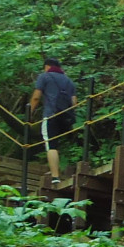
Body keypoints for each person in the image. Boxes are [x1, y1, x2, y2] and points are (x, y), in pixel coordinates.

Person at [29, 59, 78, 187]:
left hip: (51, 115)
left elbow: (35, 97)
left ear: (47, 66)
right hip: (66, 117)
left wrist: (29, 114)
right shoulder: (68, 81)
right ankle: (56, 171)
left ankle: (55, 176)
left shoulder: (44, 77)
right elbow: (74, 102)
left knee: (51, 145)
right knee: (57, 144)